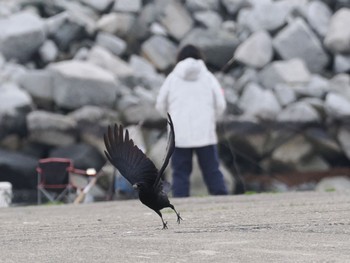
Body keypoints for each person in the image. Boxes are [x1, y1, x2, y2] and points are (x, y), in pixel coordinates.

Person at [155, 44, 228, 197]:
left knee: (180, 173)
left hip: (179, 135)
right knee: (212, 170)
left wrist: (170, 118)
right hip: (205, 133)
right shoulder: (208, 77)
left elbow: (160, 105)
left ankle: (181, 205)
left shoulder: (173, 78)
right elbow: (220, 104)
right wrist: (211, 118)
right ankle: (222, 199)